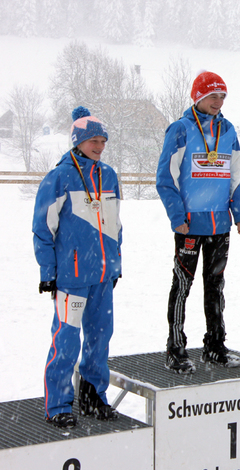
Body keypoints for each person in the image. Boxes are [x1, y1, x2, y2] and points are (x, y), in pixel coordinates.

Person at [33, 106, 121, 428]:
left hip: (102, 276)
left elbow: (114, 224)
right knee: (67, 341)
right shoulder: (59, 177)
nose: (98, 146)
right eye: (93, 140)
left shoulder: (108, 175)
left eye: (102, 141)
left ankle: (93, 396)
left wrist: (115, 263)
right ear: (78, 141)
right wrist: (48, 273)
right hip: (72, 279)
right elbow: (43, 229)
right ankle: (58, 403)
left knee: (100, 338)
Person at [156, 71, 240, 374]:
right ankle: (175, 348)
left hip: (219, 225)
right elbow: (165, 178)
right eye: (213, 96)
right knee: (182, 285)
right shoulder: (181, 130)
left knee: (215, 286)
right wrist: (177, 216)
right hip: (190, 226)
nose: (218, 102)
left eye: (222, 96)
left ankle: (215, 345)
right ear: (198, 97)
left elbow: (236, 177)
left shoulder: (229, 130)